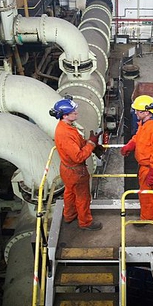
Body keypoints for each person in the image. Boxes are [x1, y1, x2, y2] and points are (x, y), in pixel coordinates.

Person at [50, 97, 102, 230]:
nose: (76, 113)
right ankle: (85, 222)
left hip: (67, 169)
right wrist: (91, 144)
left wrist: (89, 143)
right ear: (65, 115)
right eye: (73, 112)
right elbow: (78, 157)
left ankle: (69, 215)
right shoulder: (65, 134)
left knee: (70, 192)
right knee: (83, 196)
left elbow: (77, 144)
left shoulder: (66, 127)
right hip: (76, 172)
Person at [120, 94, 153, 221]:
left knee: (146, 196)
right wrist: (130, 145)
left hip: (151, 168)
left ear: (146, 112)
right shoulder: (144, 124)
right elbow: (138, 137)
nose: (135, 112)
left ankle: (146, 219)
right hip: (148, 168)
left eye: (138, 111)